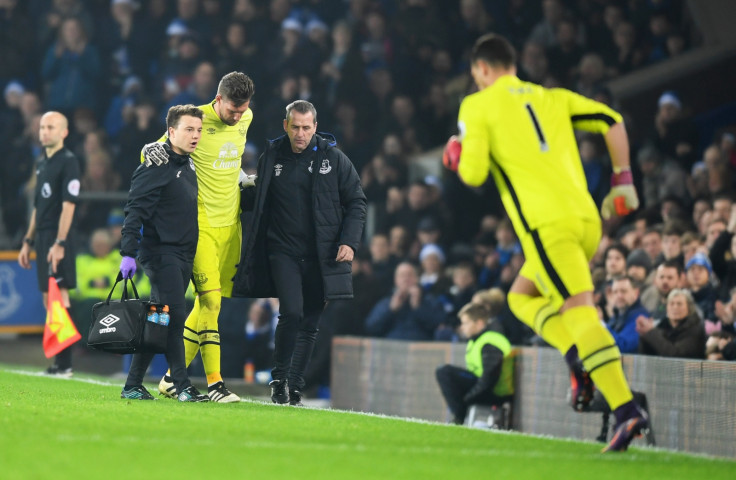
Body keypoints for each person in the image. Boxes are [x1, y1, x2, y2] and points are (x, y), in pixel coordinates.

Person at [442, 33, 647, 452]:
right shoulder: (551, 96)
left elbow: (475, 173)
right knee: (521, 296)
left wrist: (457, 154)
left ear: (481, 69)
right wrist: (622, 177)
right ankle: (577, 358)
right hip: (586, 219)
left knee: (581, 313)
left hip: (546, 227)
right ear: (512, 63)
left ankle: (626, 410)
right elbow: (612, 120)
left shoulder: (477, 104)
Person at [232, 100, 366, 406]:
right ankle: (279, 378)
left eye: (307, 127)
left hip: (323, 254)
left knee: (310, 321)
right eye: (295, 127)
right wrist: (233, 183)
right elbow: (257, 200)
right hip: (283, 250)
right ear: (285, 126)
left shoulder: (334, 159)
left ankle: (294, 386)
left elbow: (357, 202)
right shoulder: (272, 157)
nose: (301, 133)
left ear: (316, 127)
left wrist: (350, 242)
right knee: (291, 312)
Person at [142, 72, 255, 403]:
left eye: (242, 110)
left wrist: (245, 178)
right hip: (201, 224)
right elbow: (155, 151)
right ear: (218, 99)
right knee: (211, 302)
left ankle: (168, 379)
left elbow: (229, 161)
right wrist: (151, 148)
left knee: (210, 306)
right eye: (232, 110)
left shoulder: (247, 117)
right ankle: (215, 384)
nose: (237, 116)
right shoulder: (196, 122)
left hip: (231, 225)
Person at [119, 104, 208, 402]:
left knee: (159, 319)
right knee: (176, 314)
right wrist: (128, 252)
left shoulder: (188, 164)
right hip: (161, 253)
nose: (195, 135)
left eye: (198, 130)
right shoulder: (156, 164)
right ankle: (182, 385)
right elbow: (135, 209)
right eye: (188, 129)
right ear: (171, 132)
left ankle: (132, 384)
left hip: (183, 254)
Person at [17, 111, 80, 377]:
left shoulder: (69, 162)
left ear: (64, 132)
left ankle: (65, 363)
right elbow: (37, 207)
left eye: (51, 127)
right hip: (42, 236)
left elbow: (69, 205)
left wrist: (60, 242)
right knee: (48, 297)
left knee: (60, 294)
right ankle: (58, 362)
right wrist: (27, 241)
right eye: (42, 127)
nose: (45, 131)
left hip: (57, 236)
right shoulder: (43, 162)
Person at [436, 303, 515, 425]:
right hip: (483, 386)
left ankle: (459, 417)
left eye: (466, 323)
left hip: (495, 393)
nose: (462, 327)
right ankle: (459, 416)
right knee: (445, 372)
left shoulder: (491, 341)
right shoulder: (478, 339)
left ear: (479, 323)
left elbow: (489, 379)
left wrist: (467, 399)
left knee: (444, 372)